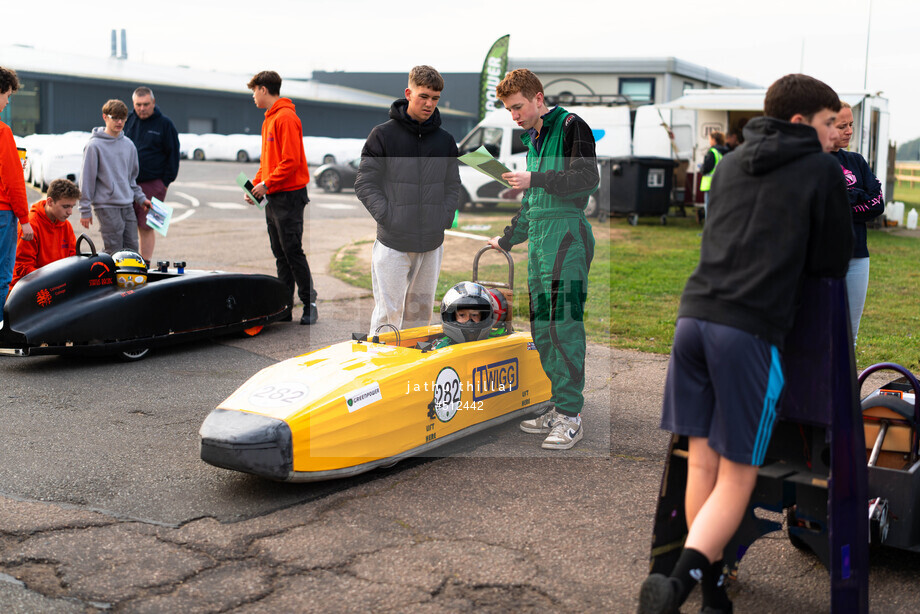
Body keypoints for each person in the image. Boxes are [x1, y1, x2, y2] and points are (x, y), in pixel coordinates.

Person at [637, 74, 852, 614]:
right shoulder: (822, 169)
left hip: (693, 320)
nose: (834, 135)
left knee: (702, 468)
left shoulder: (730, 161)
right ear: (801, 122)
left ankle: (713, 595)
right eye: (830, 123)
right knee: (738, 475)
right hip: (747, 332)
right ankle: (678, 587)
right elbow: (832, 260)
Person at [487, 68, 598, 451]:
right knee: (542, 328)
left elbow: (587, 178)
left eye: (518, 107)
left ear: (538, 98)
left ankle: (572, 416)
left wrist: (535, 178)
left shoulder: (570, 125)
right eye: (509, 110)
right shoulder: (533, 138)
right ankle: (560, 403)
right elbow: (533, 204)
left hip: (567, 238)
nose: (514, 115)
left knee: (564, 324)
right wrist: (506, 239)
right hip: (539, 240)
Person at [355, 65, 461, 336]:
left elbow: (453, 185)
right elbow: (365, 183)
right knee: (388, 314)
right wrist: (390, 216)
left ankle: (411, 373)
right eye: (423, 96)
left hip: (431, 243)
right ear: (408, 93)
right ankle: (380, 369)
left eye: (435, 98)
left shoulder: (445, 141)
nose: (429, 104)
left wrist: (444, 217)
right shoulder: (382, 135)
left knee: (420, 315)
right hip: (393, 242)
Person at [245, 70, 316, 325]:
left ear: (263, 89)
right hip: (273, 195)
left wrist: (266, 183)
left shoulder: (285, 117)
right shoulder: (269, 120)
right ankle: (285, 307)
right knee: (280, 252)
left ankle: (310, 303)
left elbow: (291, 161)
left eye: (254, 91)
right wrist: (255, 186)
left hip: (289, 196)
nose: (253, 96)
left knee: (292, 250)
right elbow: (268, 161)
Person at [832, 101, 884, 345]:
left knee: (849, 337)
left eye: (851, 124)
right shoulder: (816, 162)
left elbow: (877, 203)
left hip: (858, 257)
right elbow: (823, 205)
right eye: (843, 126)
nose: (849, 131)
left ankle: (844, 383)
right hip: (825, 259)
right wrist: (858, 195)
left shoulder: (856, 160)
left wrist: (844, 200)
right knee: (821, 332)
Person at [79, 99, 150, 255]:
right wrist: (85, 210)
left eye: (123, 119)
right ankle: (109, 278)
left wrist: (141, 198)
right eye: (115, 118)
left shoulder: (129, 145)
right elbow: (86, 180)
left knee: (132, 248)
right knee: (115, 249)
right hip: (106, 205)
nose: (119, 122)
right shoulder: (94, 146)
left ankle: (130, 279)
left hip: (127, 204)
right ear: (105, 117)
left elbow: (131, 179)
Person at [124, 86, 180, 265]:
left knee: (148, 226)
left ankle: (145, 264)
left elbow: (173, 155)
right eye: (138, 104)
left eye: (146, 104)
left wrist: (164, 183)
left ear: (153, 103)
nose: (142, 108)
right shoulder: (128, 121)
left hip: (154, 184)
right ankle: (127, 262)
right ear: (133, 104)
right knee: (125, 225)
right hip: (126, 183)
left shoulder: (165, 124)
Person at [1, 66, 32, 318]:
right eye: (7, 95)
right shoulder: (3, 132)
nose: (7, 101)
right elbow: (13, 181)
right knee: (2, 276)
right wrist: (25, 219)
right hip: (3, 214)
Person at [10, 178, 79, 288]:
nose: (70, 212)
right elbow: (22, 267)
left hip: (56, 283)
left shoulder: (66, 226)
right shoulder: (31, 225)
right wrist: (53, 280)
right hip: (28, 287)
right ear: (50, 202)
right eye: (65, 206)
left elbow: (73, 259)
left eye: (72, 206)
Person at [432, 281, 508, 349]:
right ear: (451, 316)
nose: (469, 320)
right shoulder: (441, 348)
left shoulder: (497, 342)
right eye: (462, 315)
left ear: (483, 316)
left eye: (474, 315)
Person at [699, 131, 729, 215]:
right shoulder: (724, 151)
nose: (709, 141)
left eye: (710, 139)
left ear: (714, 140)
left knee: (708, 207)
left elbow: (707, 168)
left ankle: (709, 226)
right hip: (721, 182)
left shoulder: (712, 152)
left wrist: (702, 168)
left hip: (710, 184)